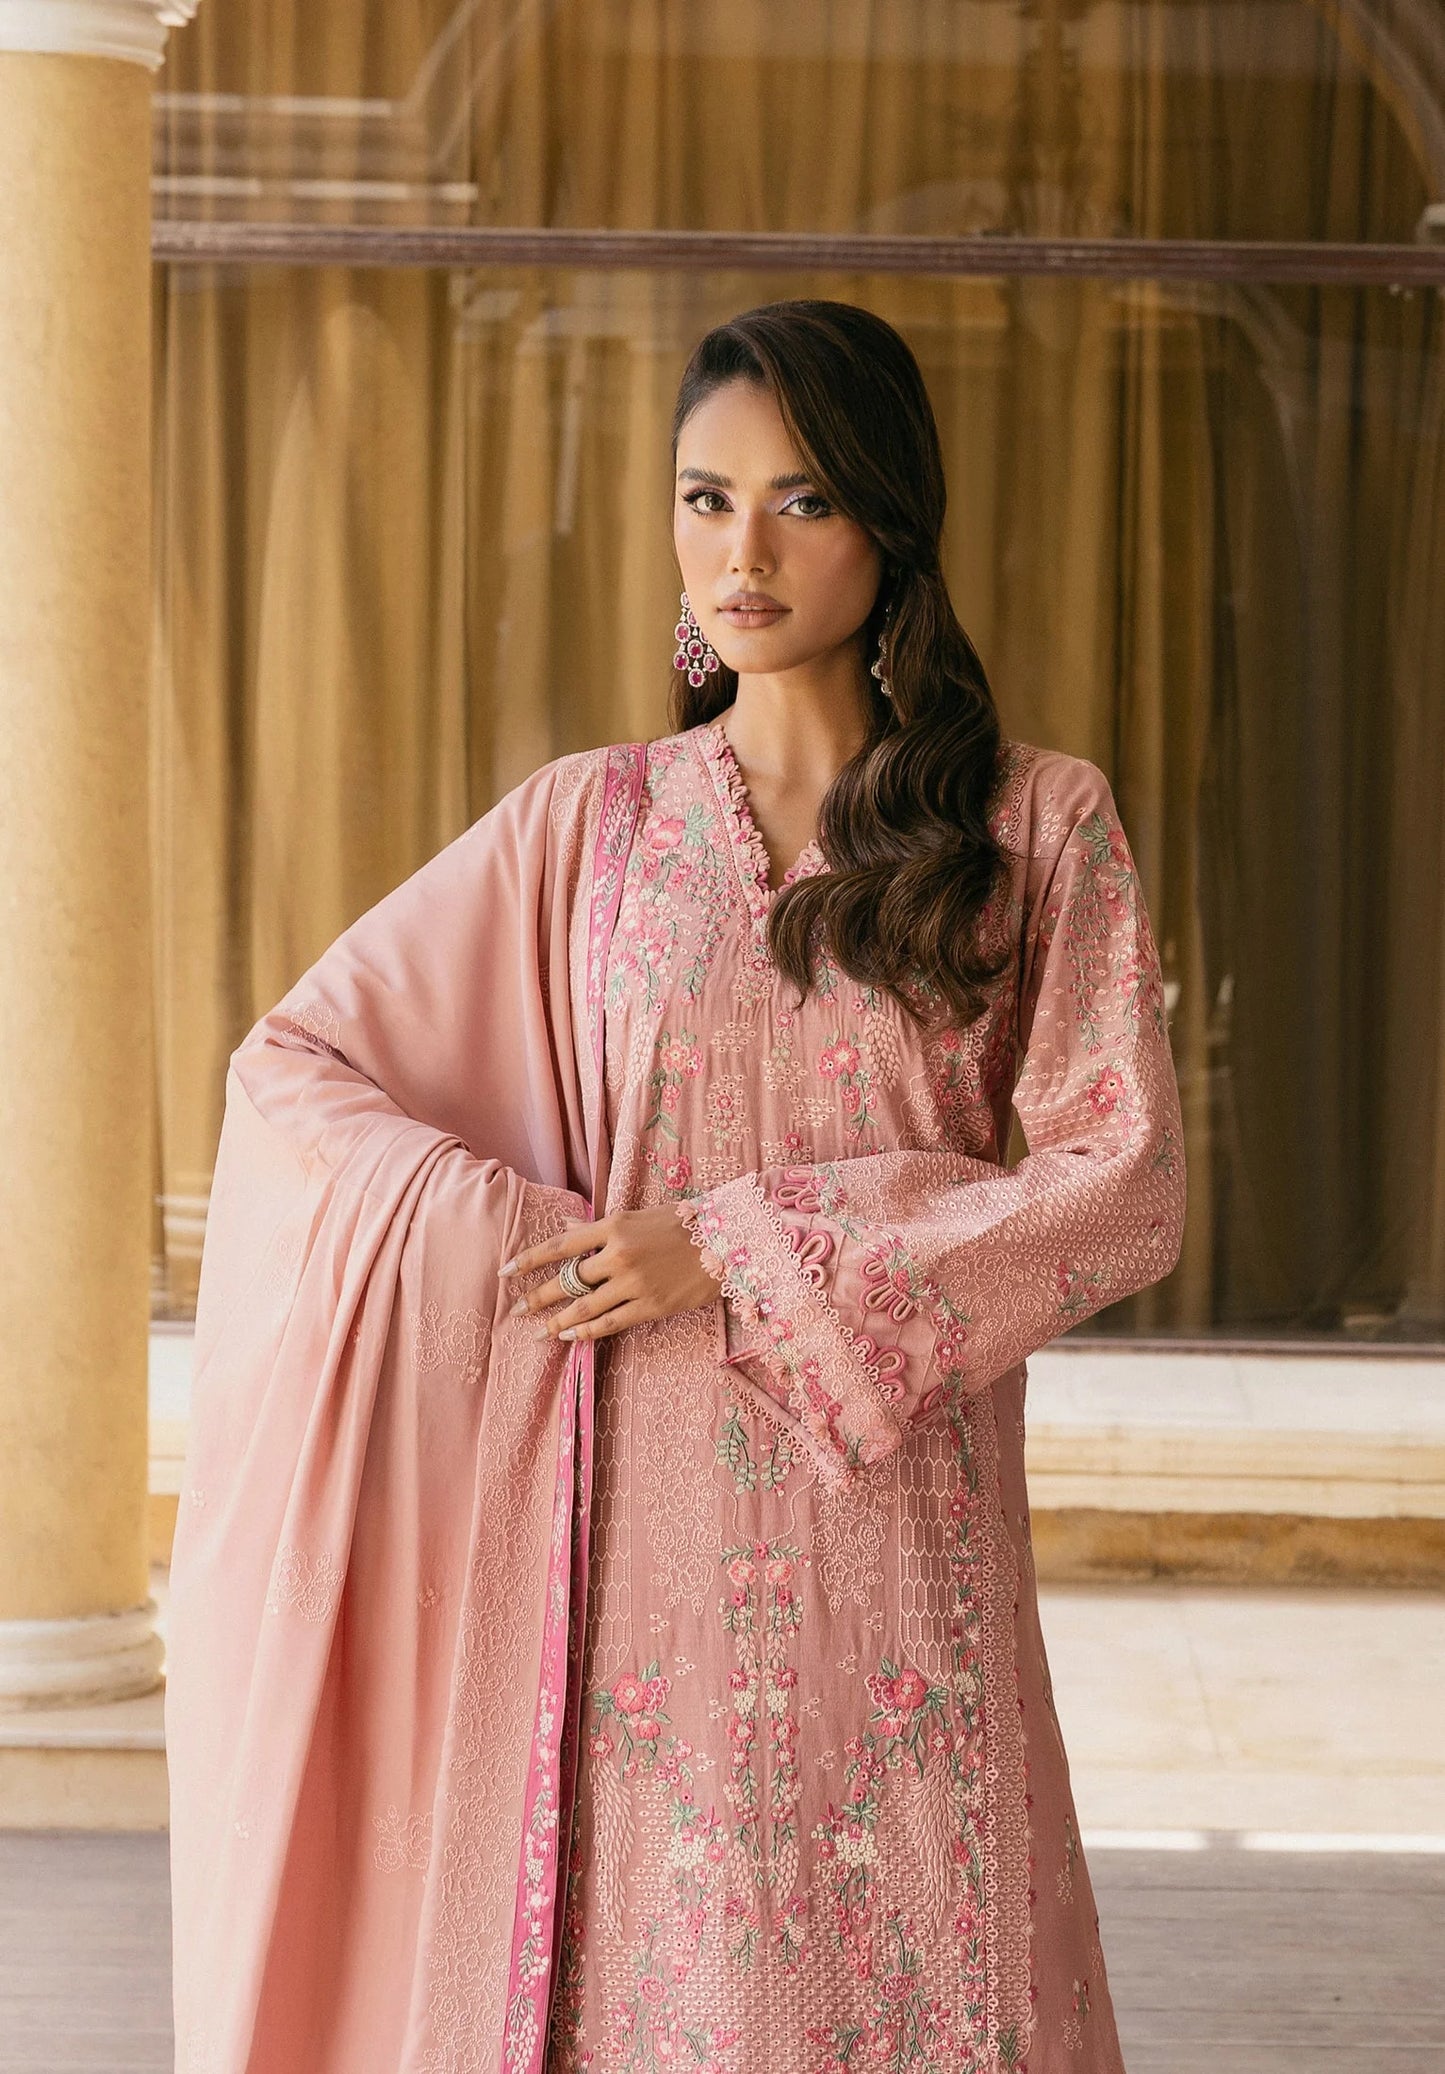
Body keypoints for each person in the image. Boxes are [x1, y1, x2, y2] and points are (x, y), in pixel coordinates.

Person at [166, 298, 1185, 2074]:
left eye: (799, 501)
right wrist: (519, 1236)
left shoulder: (1031, 826)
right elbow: (293, 1070)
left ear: (889, 519)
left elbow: (1119, 1183)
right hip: (627, 1526)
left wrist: (727, 1239)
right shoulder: (593, 824)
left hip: (901, 1532)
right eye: (704, 500)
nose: (744, 550)